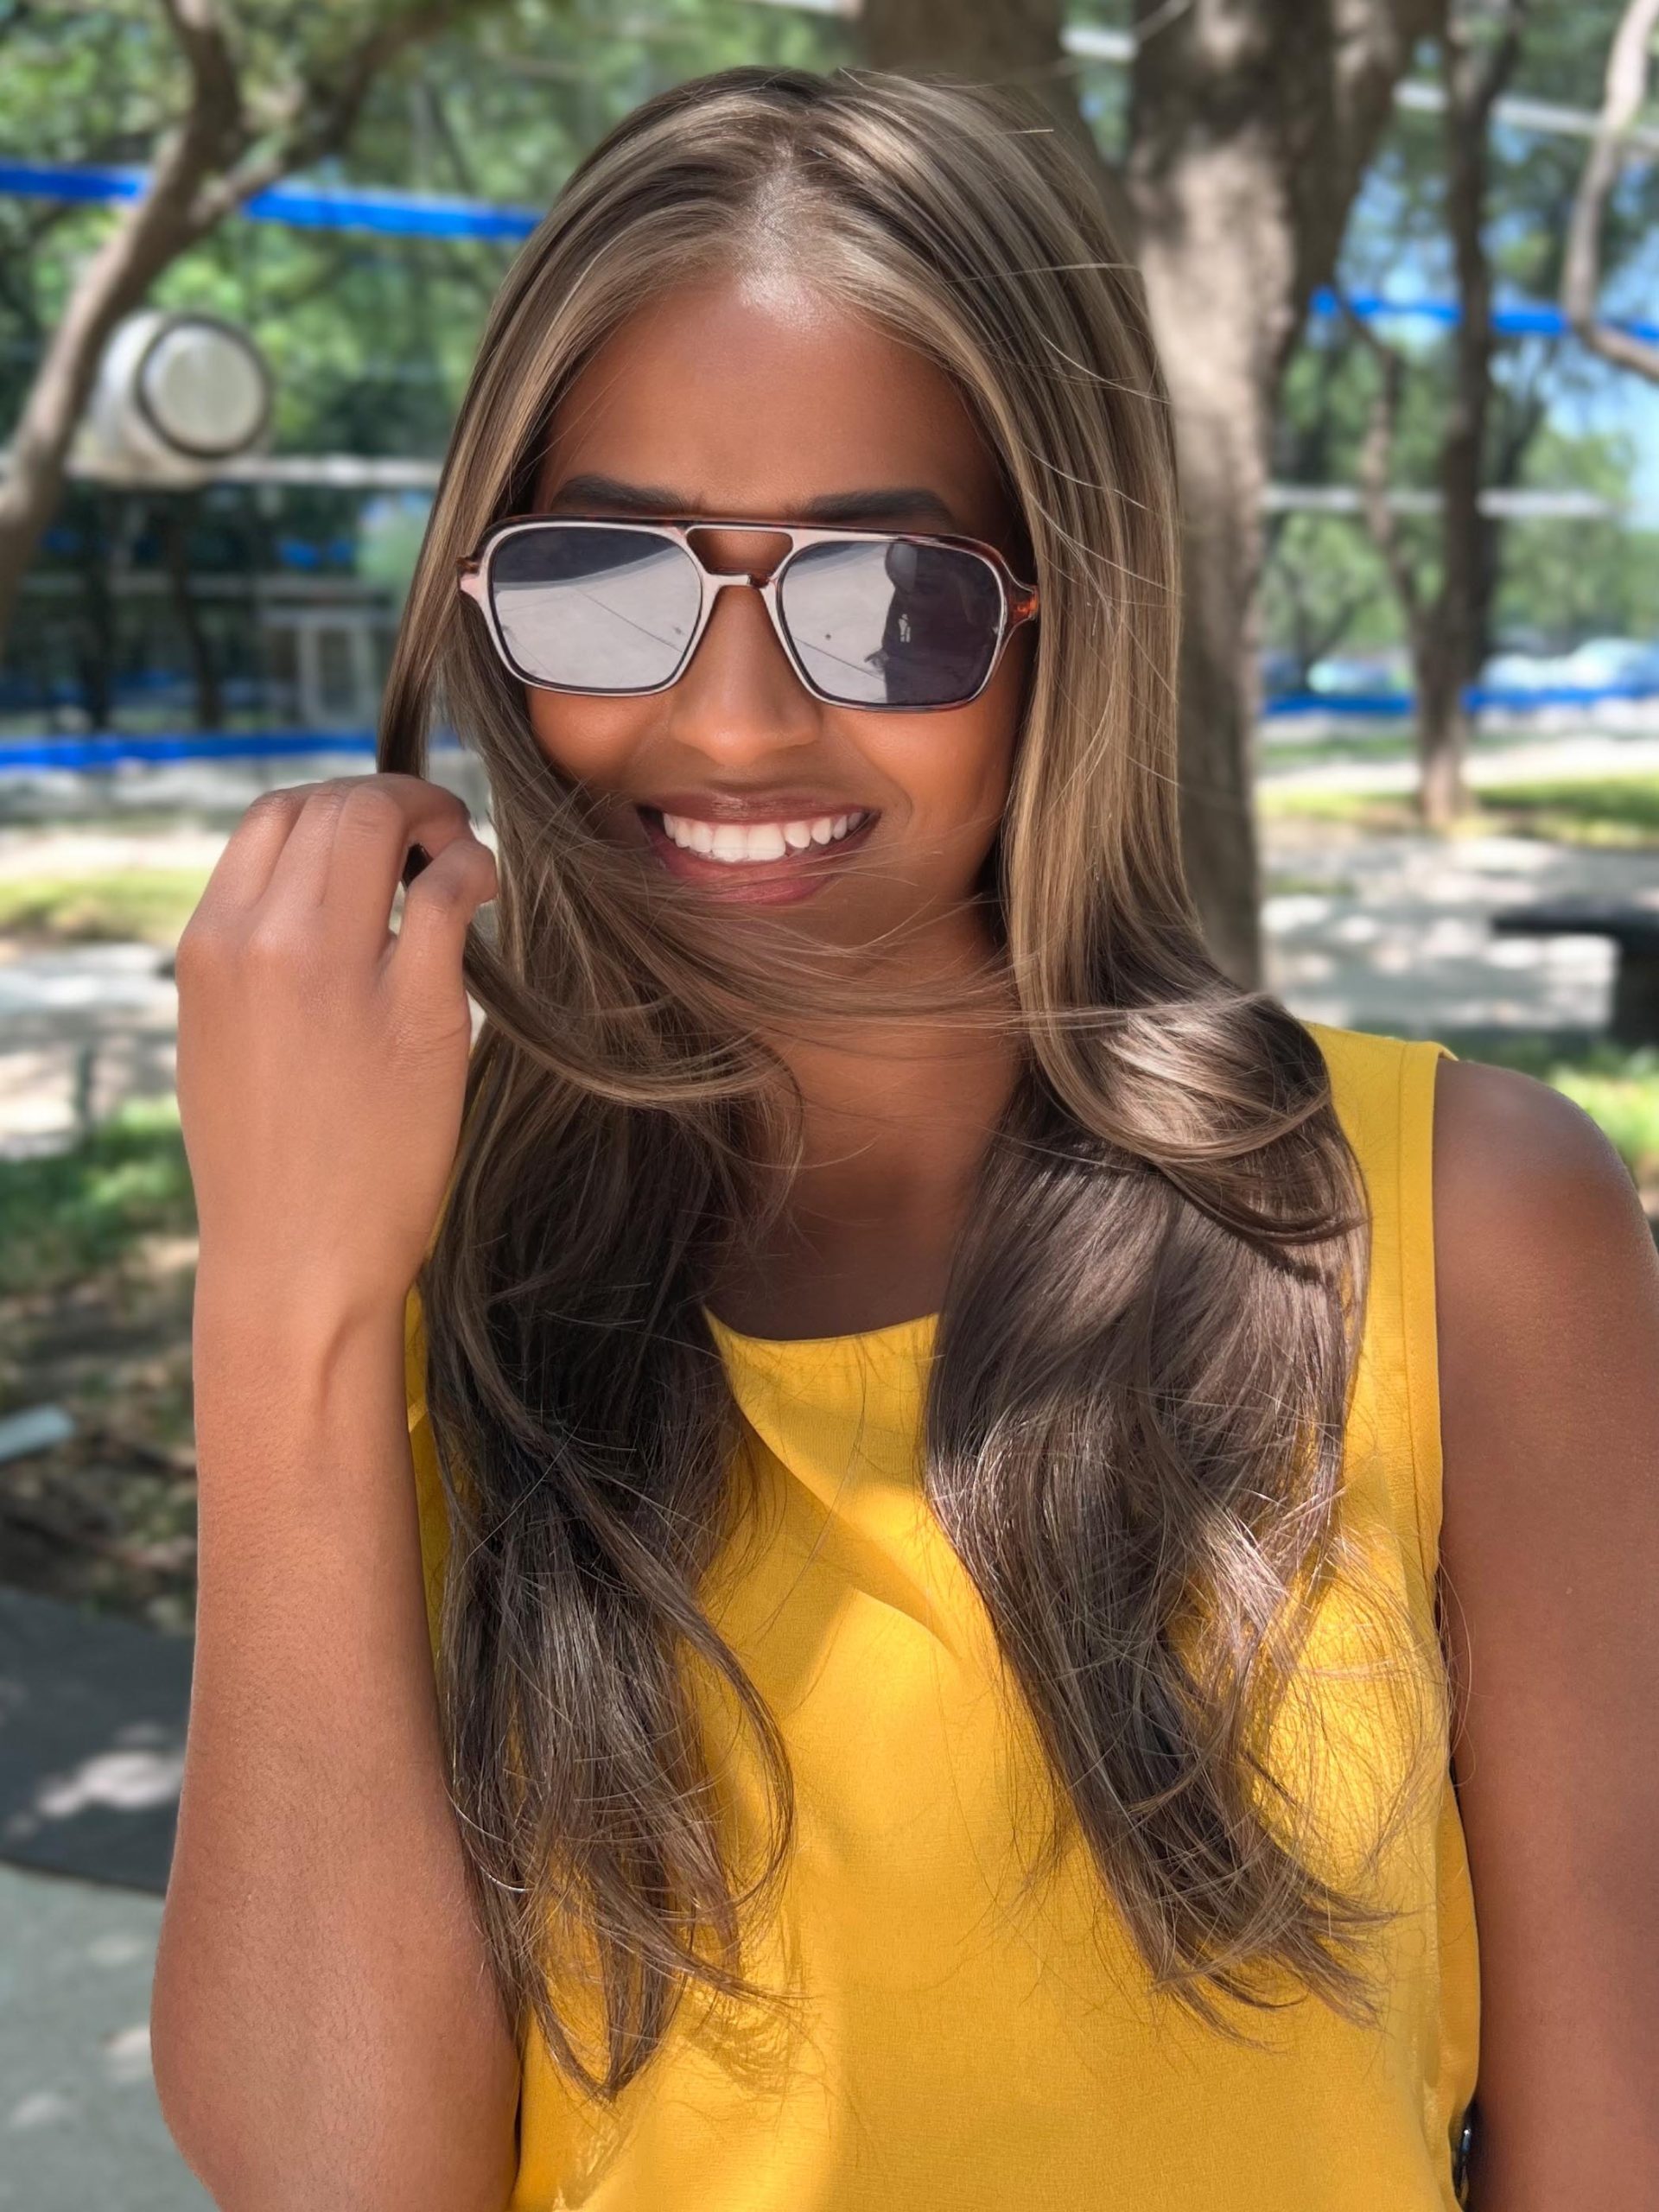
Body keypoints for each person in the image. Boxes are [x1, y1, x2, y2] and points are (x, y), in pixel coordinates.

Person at [151, 66, 1659, 2212]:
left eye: (885, 593)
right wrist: (287, 1307)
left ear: (1065, 608)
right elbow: (336, 2179)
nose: (732, 716)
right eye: (605, 576)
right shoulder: (398, 1266)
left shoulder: (1455, 1226)